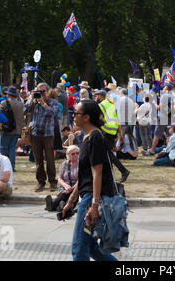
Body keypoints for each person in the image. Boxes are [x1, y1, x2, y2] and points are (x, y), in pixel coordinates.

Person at [61, 99, 118, 261]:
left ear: (86, 117)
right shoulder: (87, 138)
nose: (73, 116)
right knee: (92, 247)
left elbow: (97, 174)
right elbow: (84, 176)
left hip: (92, 199)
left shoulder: (95, 138)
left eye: (76, 113)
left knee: (79, 249)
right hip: (87, 197)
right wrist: (70, 201)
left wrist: (94, 205)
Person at [26, 83, 59, 192]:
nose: (41, 94)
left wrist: (43, 103)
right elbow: (25, 112)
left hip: (48, 134)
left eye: (43, 91)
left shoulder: (53, 102)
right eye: (39, 92)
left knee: (50, 159)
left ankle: (52, 182)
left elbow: (53, 113)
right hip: (36, 134)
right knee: (38, 160)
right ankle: (41, 182)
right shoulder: (35, 103)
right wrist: (32, 101)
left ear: (48, 91)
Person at [94, 89, 130, 183]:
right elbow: (116, 120)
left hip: (105, 131)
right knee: (107, 154)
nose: (96, 97)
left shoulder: (101, 105)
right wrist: (119, 134)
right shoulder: (111, 104)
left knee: (108, 154)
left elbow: (100, 119)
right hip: (112, 131)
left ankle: (123, 171)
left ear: (101, 96)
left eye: (97, 95)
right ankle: (110, 174)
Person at [45, 145, 80, 212]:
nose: (76, 155)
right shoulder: (65, 164)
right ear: (68, 155)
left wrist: (72, 188)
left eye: (77, 153)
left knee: (72, 197)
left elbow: (81, 179)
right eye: (73, 154)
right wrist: (65, 185)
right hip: (66, 188)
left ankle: (59, 206)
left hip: (77, 188)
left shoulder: (81, 164)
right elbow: (60, 178)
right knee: (63, 195)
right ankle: (54, 206)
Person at [0, 86, 24, 171]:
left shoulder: (4, 103)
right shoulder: (21, 104)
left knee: (3, 148)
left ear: (8, 94)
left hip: (6, 129)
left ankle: (3, 167)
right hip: (17, 130)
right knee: (12, 148)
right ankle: (11, 167)